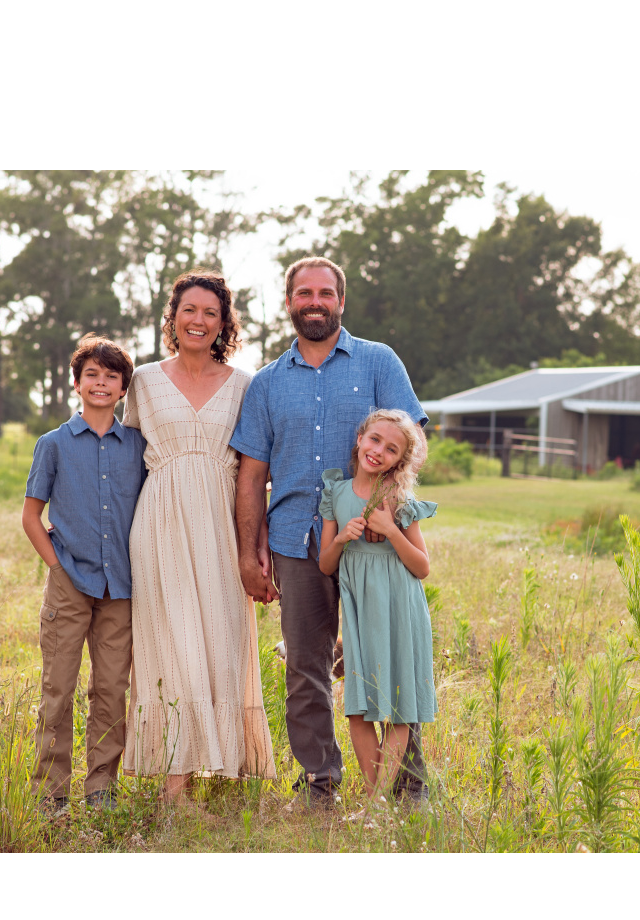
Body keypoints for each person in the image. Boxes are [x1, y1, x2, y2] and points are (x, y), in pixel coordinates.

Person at [231, 256, 428, 812]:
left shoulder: (378, 362)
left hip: (374, 545)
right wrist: (250, 552)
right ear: (289, 301)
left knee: (388, 662)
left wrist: (387, 520)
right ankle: (320, 782)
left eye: (324, 292)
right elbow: (251, 474)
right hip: (297, 541)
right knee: (305, 668)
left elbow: (407, 445)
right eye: (303, 293)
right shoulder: (267, 383)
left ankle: (409, 785)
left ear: (340, 301)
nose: (313, 301)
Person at [122, 269, 275, 808]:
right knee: (169, 640)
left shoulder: (245, 384)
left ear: (223, 323)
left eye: (211, 313)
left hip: (221, 521)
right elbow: (123, 461)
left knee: (224, 636)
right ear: (173, 316)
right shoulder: (142, 381)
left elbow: (257, 471)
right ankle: (174, 779)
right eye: (190, 309)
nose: (199, 320)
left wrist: (256, 548)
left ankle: (226, 761)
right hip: (159, 520)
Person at [22, 334, 147, 815]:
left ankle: (101, 790)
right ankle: (50, 793)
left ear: (122, 389)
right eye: (91, 375)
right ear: (76, 383)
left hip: (121, 587)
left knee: (111, 688)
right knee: (58, 687)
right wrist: (58, 567)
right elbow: (32, 515)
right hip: (69, 583)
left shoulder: (136, 444)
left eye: (111, 377)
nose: (100, 383)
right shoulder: (52, 445)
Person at [317, 410, 437, 803]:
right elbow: (325, 564)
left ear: (399, 461)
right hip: (359, 608)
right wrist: (339, 540)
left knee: (401, 706)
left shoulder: (399, 499)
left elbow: (422, 567)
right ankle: (374, 794)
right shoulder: (337, 492)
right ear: (359, 439)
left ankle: (375, 807)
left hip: (400, 605)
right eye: (374, 440)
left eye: (391, 449)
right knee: (358, 706)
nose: (378, 451)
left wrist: (390, 531)